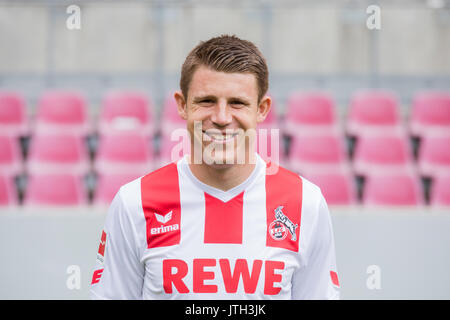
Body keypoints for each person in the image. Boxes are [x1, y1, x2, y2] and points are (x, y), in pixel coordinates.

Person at [90, 34, 340, 300]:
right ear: (182, 105)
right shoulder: (134, 202)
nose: (221, 118)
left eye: (238, 103)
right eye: (206, 101)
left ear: (262, 109)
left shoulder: (306, 203)